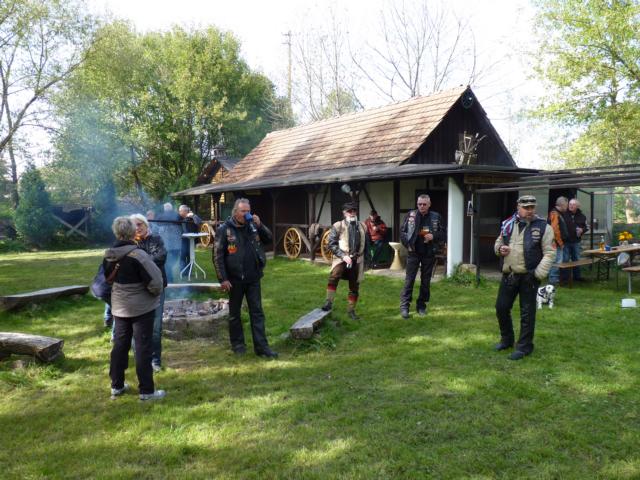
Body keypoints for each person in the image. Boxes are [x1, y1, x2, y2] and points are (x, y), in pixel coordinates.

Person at [104, 216, 166, 400]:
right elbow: (156, 282)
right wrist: (152, 295)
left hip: (119, 307)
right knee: (143, 347)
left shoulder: (109, 254)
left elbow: (106, 279)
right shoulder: (138, 255)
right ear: (131, 232)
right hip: (141, 308)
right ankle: (146, 391)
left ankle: (117, 386)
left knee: (120, 346)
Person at [213, 198, 278, 358]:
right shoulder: (224, 229)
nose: (246, 214)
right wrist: (223, 279)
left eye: (248, 211)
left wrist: (260, 225)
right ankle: (238, 345)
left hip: (253, 276)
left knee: (257, 312)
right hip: (234, 279)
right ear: (235, 212)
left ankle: (262, 347)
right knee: (235, 314)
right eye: (243, 211)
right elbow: (217, 256)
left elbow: (269, 239)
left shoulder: (252, 226)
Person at [494, 195, 555, 360]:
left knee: (527, 313)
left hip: (529, 277)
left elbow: (550, 253)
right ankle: (507, 340)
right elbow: (498, 243)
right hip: (509, 274)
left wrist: (538, 274)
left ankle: (524, 347)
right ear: (518, 207)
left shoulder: (544, 227)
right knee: (501, 308)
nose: (529, 210)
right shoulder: (508, 224)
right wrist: (500, 249)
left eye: (532, 207)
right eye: (526, 207)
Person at [399, 194, 446, 319]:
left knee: (425, 281)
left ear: (429, 204)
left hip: (428, 253)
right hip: (413, 252)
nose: (422, 206)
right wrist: (408, 245)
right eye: (419, 204)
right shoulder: (411, 215)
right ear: (417, 204)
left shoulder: (436, 216)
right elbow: (402, 232)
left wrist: (433, 236)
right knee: (409, 280)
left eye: (424, 204)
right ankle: (404, 307)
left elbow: (443, 233)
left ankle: (421, 306)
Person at [131, 213, 167, 372]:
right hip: (137, 289)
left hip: (156, 288)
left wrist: (140, 263)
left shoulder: (156, 239)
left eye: (140, 224)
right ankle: (140, 360)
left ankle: (155, 360)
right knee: (136, 327)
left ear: (146, 225)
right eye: (134, 225)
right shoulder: (129, 243)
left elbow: (161, 257)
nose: (137, 228)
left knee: (156, 327)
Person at [320, 202, 367, 320]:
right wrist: (343, 256)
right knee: (334, 277)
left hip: (357, 260)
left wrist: (367, 260)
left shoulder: (362, 226)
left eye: (354, 210)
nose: (352, 213)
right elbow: (331, 244)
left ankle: (351, 311)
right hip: (342, 258)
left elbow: (366, 244)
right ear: (344, 213)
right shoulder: (338, 226)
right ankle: (328, 302)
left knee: (354, 286)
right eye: (350, 211)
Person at [156, 203, 182, 283]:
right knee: (171, 260)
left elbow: (157, 225)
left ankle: (168, 276)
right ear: (171, 208)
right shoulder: (177, 215)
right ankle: (169, 277)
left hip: (166, 245)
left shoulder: (160, 216)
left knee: (167, 261)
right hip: (174, 245)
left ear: (164, 208)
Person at [565, 198, 589, 282]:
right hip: (566, 241)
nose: (571, 206)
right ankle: (565, 278)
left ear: (578, 206)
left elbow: (587, 227)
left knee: (576, 259)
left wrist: (582, 230)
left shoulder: (582, 216)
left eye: (573, 204)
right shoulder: (564, 214)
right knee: (565, 259)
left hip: (576, 241)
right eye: (570, 204)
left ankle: (577, 277)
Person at [547, 196, 569, 285]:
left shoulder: (558, 213)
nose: (567, 207)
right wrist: (560, 243)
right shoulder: (555, 213)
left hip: (557, 242)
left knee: (557, 261)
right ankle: (553, 281)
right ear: (562, 205)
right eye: (566, 205)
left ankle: (555, 279)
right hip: (556, 243)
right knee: (556, 261)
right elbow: (555, 230)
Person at [179, 205, 202, 273]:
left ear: (185, 211)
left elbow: (199, 221)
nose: (179, 212)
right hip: (183, 240)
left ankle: (188, 271)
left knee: (190, 256)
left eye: (180, 211)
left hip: (190, 240)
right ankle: (183, 271)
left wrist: (193, 215)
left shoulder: (191, 217)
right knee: (182, 256)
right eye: (179, 211)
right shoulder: (179, 217)